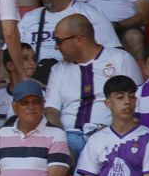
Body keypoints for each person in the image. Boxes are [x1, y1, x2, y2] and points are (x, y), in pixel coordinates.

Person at [43, 13, 143, 153]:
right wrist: (60, 140)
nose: (56, 47)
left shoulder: (121, 59)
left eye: (59, 41)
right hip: (68, 138)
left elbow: (139, 102)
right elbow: (51, 110)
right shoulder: (58, 69)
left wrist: (114, 132)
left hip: (109, 136)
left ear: (79, 40)